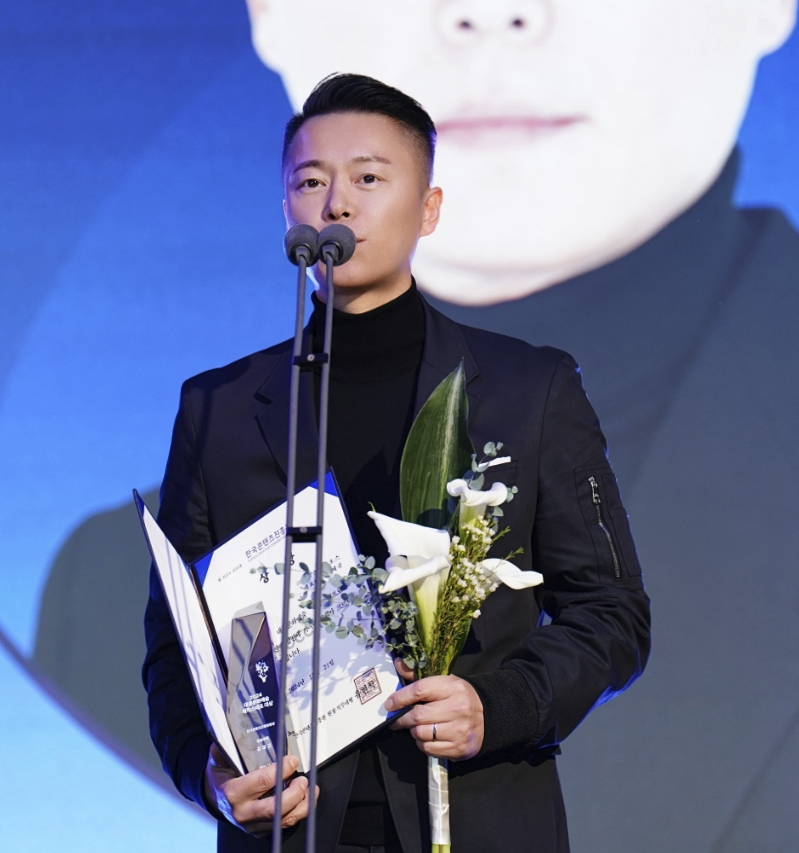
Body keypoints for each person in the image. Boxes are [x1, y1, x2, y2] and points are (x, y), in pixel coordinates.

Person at [142, 74, 650, 853]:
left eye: (369, 178)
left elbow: (612, 613)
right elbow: (176, 652)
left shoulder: (528, 390)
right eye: (309, 182)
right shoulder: (219, 407)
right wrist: (205, 776)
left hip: (476, 820)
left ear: (429, 208)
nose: (336, 205)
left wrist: (500, 704)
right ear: (286, 209)